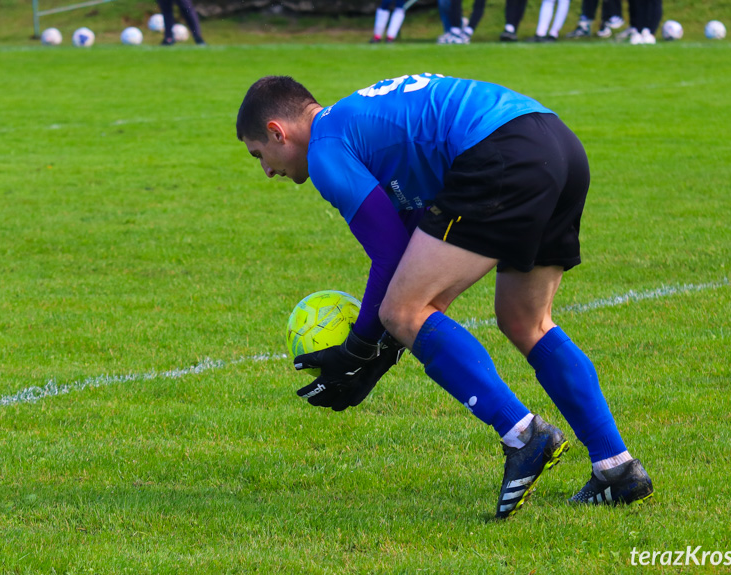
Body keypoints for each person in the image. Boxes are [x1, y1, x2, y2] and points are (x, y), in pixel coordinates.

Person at [236, 73, 654, 518]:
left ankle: (524, 436)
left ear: (278, 132)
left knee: (404, 308)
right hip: (554, 142)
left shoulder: (325, 151)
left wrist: (358, 348)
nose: (267, 170)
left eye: (260, 154)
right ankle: (617, 469)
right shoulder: (363, 126)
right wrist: (381, 351)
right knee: (524, 320)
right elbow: (419, 239)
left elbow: (392, 257)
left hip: (502, 151)